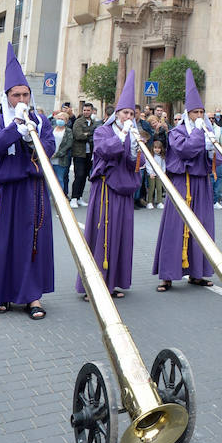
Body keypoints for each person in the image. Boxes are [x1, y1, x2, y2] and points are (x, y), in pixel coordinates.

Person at [0, 42, 55, 319]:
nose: (21, 100)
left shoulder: (41, 121)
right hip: (4, 191)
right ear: (7, 97)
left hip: (32, 189)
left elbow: (49, 148)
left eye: (25, 94)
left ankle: (32, 297)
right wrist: (16, 127)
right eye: (16, 95)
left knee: (31, 241)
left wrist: (33, 135)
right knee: (2, 241)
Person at [76, 72, 142, 300]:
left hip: (123, 189)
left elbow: (133, 163)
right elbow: (105, 151)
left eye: (132, 114)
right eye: (125, 113)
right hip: (105, 189)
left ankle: (113, 282)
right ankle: (94, 285)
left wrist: (136, 147)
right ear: (116, 114)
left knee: (120, 234)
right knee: (101, 232)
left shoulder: (133, 133)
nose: (128, 117)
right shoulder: (103, 131)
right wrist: (123, 135)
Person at [153, 70, 216, 291]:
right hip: (182, 184)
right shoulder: (176, 132)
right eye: (195, 112)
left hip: (201, 184)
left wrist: (212, 146)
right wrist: (201, 136)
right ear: (188, 113)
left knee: (203, 226)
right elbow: (186, 151)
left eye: (201, 112)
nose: (199, 116)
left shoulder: (206, 131)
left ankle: (198, 272)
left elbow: (213, 156)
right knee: (174, 227)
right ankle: (167, 275)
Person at [69, 102, 96, 207]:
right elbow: (78, 135)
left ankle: (79, 197)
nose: (86, 112)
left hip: (89, 154)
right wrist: (90, 134)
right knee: (78, 175)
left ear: (92, 111)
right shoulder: (78, 122)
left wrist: (87, 134)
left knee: (84, 176)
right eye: (84, 110)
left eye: (88, 110)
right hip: (79, 153)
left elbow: (97, 133)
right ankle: (74, 198)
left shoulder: (94, 122)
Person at [49, 112, 73, 188]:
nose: (60, 120)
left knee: (60, 179)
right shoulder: (51, 129)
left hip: (61, 159)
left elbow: (68, 144)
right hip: (49, 158)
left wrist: (56, 154)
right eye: (58, 118)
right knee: (49, 180)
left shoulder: (68, 131)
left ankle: (59, 198)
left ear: (66, 121)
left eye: (62, 119)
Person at [144, 138, 167, 209]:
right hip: (152, 174)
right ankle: (150, 202)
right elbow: (148, 165)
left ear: (161, 149)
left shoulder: (162, 156)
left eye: (159, 148)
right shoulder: (150, 156)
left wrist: (163, 173)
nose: (157, 149)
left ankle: (159, 202)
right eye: (155, 148)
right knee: (151, 188)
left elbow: (163, 165)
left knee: (159, 188)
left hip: (159, 174)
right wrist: (150, 173)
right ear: (153, 148)